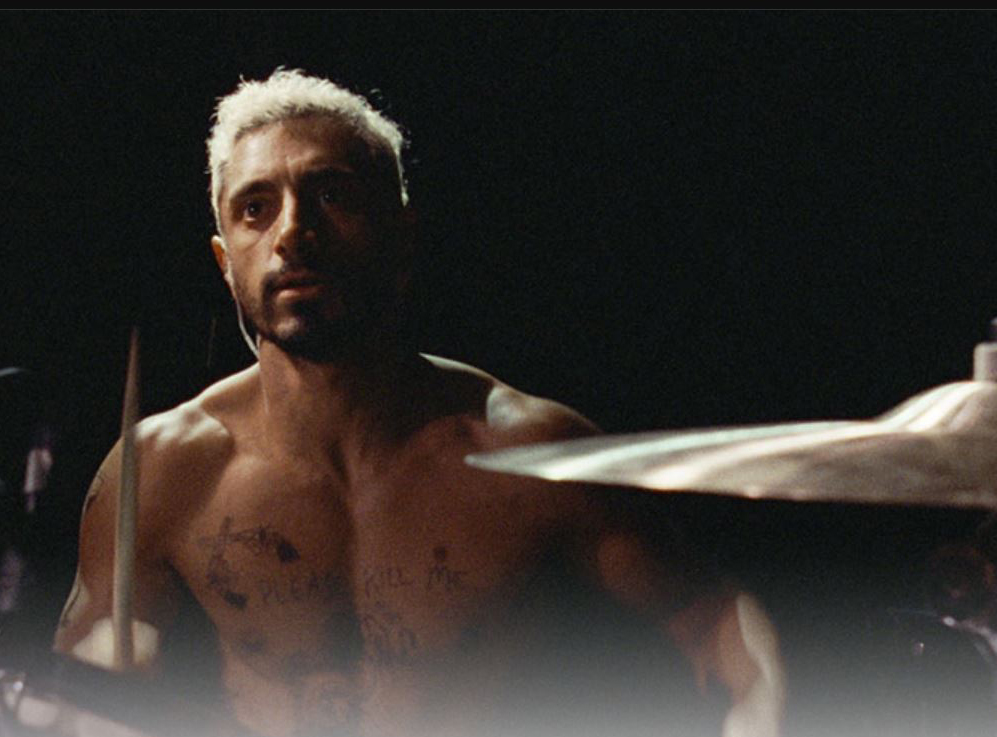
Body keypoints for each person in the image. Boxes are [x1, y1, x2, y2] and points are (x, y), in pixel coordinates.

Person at [55, 69, 783, 737]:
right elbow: (75, 691)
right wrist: (98, 691)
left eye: (332, 195)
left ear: (402, 234)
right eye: (255, 208)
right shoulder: (162, 470)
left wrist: (762, 710)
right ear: (224, 261)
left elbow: (714, 620)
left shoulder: (525, 451)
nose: (293, 234)